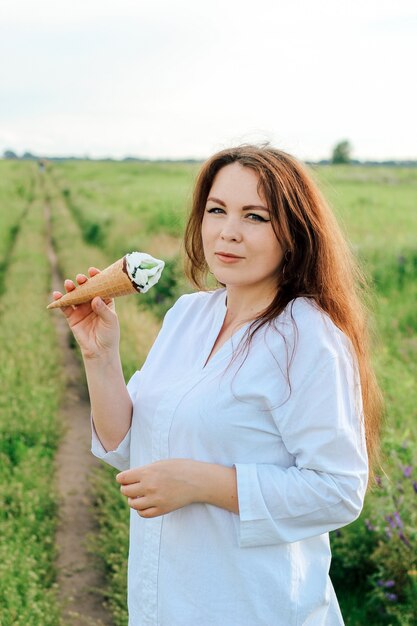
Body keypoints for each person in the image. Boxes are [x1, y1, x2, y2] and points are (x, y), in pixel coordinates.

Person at [53, 144, 382, 626]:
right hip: (164, 598)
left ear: (294, 231)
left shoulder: (307, 338)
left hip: (253, 605)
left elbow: (338, 489)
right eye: (216, 210)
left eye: (255, 216)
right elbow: (131, 447)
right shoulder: (189, 314)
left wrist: (203, 482)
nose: (228, 232)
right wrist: (99, 354)